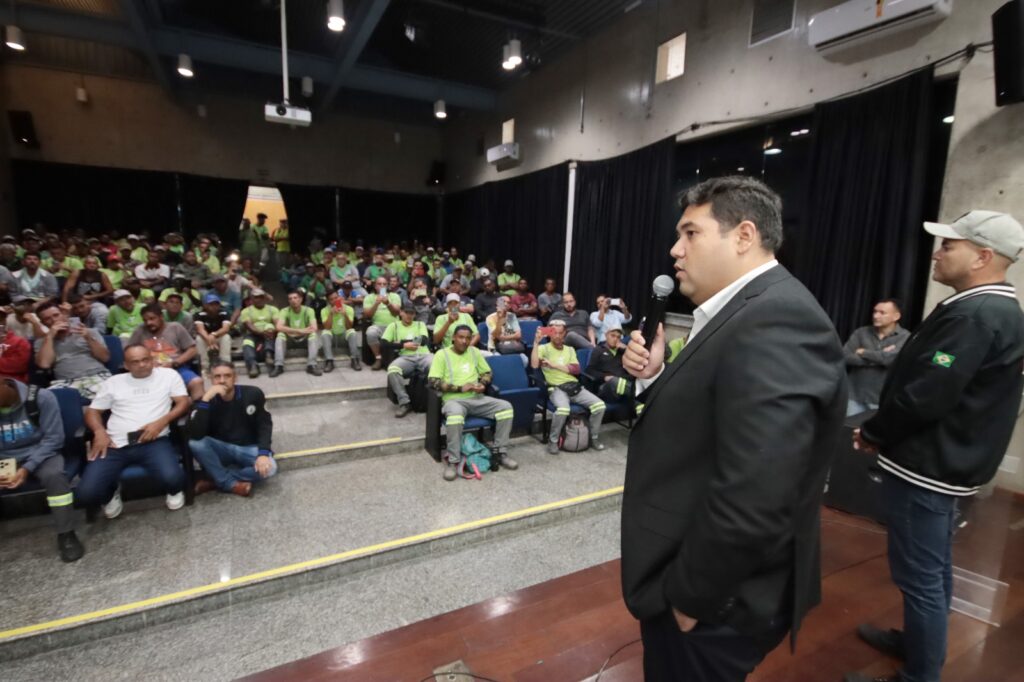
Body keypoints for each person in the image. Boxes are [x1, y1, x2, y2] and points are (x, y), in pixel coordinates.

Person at [620, 176, 846, 681]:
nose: (675, 249)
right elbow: (707, 425)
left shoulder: (778, 319)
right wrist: (654, 376)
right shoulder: (745, 311)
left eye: (691, 234)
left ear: (743, 236)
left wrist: (688, 599)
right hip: (700, 580)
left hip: (714, 602)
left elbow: (758, 488)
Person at [848, 211, 1024, 682]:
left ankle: (920, 674)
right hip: (947, 464)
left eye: (951, 245)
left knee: (920, 576)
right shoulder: (983, 307)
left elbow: (929, 392)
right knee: (934, 567)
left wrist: (875, 431)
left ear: (983, 256)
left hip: (931, 466)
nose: (939, 252)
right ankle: (916, 643)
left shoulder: (978, 313)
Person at [77, 345, 191, 519]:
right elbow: (93, 411)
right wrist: (99, 432)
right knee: (86, 494)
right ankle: (111, 490)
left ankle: (173, 491)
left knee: (174, 479)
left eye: (146, 359)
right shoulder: (113, 382)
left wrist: (161, 422)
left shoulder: (168, 376)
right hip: (114, 444)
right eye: (135, 362)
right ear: (126, 365)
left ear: (152, 360)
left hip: (153, 441)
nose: (142, 364)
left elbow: (183, 402)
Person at [0, 378, 83, 562]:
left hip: (41, 452)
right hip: (4, 457)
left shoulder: (41, 397)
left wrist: (27, 468)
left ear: (5, 384)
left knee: (54, 476)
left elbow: (54, 439)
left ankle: (66, 533)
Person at [427, 325, 517, 480]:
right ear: (453, 338)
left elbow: (487, 372)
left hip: (477, 398)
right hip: (454, 400)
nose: (464, 341)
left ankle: (500, 453)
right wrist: (460, 388)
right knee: (455, 416)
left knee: (506, 408)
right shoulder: (442, 354)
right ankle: (453, 461)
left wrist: (483, 383)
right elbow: (433, 381)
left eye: (468, 338)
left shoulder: (474, 352)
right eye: (461, 337)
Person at [188, 361, 276, 498]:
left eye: (227, 376)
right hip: (222, 448)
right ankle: (227, 481)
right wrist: (205, 400)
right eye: (217, 376)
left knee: (271, 469)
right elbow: (196, 435)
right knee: (195, 443)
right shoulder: (205, 401)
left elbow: (265, 425)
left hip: (249, 447)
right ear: (211, 379)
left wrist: (264, 453)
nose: (222, 380)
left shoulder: (253, 394)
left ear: (235, 378)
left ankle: (217, 479)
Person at [532, 321, 606, 453]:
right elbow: (534, 365)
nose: (557, 336)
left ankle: (593, 437)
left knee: (600, 406)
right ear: (549, 334)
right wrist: (536, 343)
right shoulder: (544, 348)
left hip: (574, 386)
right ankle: (553, 441)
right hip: (556, 388)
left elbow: (576, 370)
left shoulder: (570, 349)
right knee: (563, 410)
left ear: (565, 334)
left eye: (560, 333)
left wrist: (554, 365)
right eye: (554, 333)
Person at [843, 299, 910, 416]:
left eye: (882, 313)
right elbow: (846, 357)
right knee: (847, 431)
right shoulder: (861, 332)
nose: (876, 316)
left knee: (869, 434)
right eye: (875, 311)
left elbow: (892, 360)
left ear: (896, 316)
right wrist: (880, 357)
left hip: (880, 398)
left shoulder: (905, 337)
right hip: (854, 395)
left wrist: (863, 352)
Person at [35, 301, 112, 399]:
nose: (54, 320)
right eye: (47, 319)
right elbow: (44, 364)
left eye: (56, 315)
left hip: (95, 375)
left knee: (108, 395)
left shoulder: (89, 332)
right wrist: (50, 337)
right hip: (64, 382)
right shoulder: (42, 342)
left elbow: (105, 358)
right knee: (48, 399)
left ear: (63, 314)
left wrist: (88, 338)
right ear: (43, 323)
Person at [127, 304, 205, 400]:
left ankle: (197, 412)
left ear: (161, 317)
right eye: (145, 320)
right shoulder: (140, 330)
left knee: (197, 382)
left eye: (152, 318)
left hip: (177, 367)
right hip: (149, 370)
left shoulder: (175, 327)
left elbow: (193, 350)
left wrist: (174, 363)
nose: (148, 323)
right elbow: (129, 352)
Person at [383, 304, 433, 417]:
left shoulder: (420, 324)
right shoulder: (394, 326)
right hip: (405, 357)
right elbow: (384, 343)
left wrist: (401, 342)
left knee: (435, 365)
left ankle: (433, 401)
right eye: (406, 312)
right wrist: (403, 345)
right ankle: (405, 402)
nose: (409, 315)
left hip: (424, 355)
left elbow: (424, 340)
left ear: (415, 314)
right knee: (392, 370)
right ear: (401, 312)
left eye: (412, 313)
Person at [271, 290, 321, 378]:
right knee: (280, 335)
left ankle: (311, 365)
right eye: (290, 299)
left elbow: (314, 328)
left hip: (304, 339)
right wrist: (300, 331)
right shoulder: (285, 311)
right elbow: (278, 327)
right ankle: (278, 366)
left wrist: (297, 331)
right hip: (291, 339)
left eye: (295, 298)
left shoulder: (309, 310)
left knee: (313, 335)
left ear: (301, 299)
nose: (293, 300)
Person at [586, 321, 634, 405]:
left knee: (639, 404)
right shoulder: (598, 350)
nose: (615, 339)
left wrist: (627, 350)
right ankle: (639, 395)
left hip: (622, 386)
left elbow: (632, 368)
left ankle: (639, 406)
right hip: (605, 387)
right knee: (614, 380)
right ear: (606, 335)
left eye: (618, 337)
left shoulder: (622, 351)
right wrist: (604, 377)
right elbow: (589, 370)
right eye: (612, 336)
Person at [363, 276, 402, 370]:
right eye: (379, 284)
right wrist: (376, 303)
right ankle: (378, 358)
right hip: (377, 326)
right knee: (370, 332)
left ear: (387, 286)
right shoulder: (369, 297)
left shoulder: (394, 296)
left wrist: (388, 303)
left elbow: (396, 312)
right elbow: (367, 315)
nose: (382, 286)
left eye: (384, 284)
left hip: (394, 326)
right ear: (375, 286)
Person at [240, 289, 278, 378]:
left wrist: (272, 330)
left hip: (269, 333)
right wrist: (261, 332)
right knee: (247, 342)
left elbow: (277, 323)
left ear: (264, 298)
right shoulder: (246, 311)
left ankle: (269, 355)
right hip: (253, 333)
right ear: (252, 299)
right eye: (256, 297)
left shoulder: (272, 309)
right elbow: (249, 325)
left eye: (261, 297)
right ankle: (253, 365)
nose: (259, 299)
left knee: (270, 327)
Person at [320, 290, 360, 372]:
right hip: (332, 337)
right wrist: (331, 314)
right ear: (328, 301)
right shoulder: (324, 310)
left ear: (340, 297)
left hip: (344, 336)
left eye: (336, 297)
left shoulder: (349, 309)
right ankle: (329, 361)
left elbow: (349, 327)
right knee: (324, 333)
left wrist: (345, 314)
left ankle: (354, 359)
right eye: (332, 299)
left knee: (352, 332)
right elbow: (327, 327)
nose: (335, 300)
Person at [194, 294, 233, 371]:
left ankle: (225, 364)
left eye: (216, 304)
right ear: (205, 305)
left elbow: (225, 328)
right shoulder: (199, 314)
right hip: (205, 337)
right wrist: (209, 339)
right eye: (211, 304)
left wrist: (214, 335)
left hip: (219, 336)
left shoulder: (224, 313)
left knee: (226, 337)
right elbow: (200, 329)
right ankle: (204, 367)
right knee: (199, 339)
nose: (214, 306)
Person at [0, 318, 31, 383]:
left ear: (4, 322)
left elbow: (20, 366)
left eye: (1, 319)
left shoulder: (20, 342)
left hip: (11, 383)